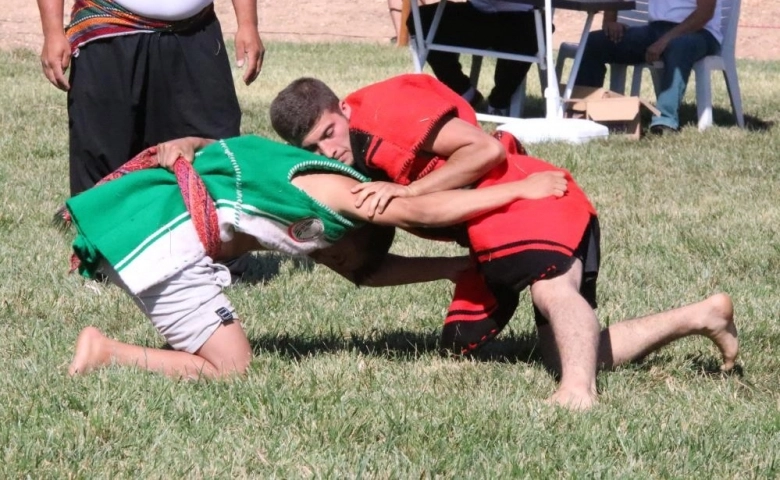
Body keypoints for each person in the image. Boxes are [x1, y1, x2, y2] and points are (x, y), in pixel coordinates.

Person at [269, 74, 738, 409]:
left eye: (329, 132)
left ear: (342, 110)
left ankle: (579, 394)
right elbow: (367, 270)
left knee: (552, 290)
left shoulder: (386, 113)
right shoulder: (344, 166)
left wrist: (409, 191)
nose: (329, 150)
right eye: (313, 148)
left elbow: (485, 149)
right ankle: (701, 315)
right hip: (492, 223)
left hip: (533, 194)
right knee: (544, 351)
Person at [65, 134, 567, 380]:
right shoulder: (348, 202)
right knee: (232, 369)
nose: (336, 265)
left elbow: (366, 274)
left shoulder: (303, 170)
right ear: (355, 233)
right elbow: (424, 208)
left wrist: (454, 268)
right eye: (339, 260)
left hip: (139, 212)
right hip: (161, 238)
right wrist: (521, 190)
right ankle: (106, 352)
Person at [36, 0, 265, 196]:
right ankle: (104, 244)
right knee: (103, 158)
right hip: (108, 32)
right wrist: (52, 30)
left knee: (213, 154)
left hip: (196, 31)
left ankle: (212, 242)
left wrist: (248, 23)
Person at [574, 0, 722, 134]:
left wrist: (665, 40)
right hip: (655, 29)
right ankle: (581, 109)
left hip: (700, 32)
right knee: (593, 43)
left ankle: (665, 120)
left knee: (679, 46)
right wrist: (610, 21)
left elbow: (705, 14)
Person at [407, 0, 542, 116]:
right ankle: (464, 93)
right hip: (477, 13)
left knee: (533, 33)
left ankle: (499, 102)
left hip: (521, 18)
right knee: (421, 19)